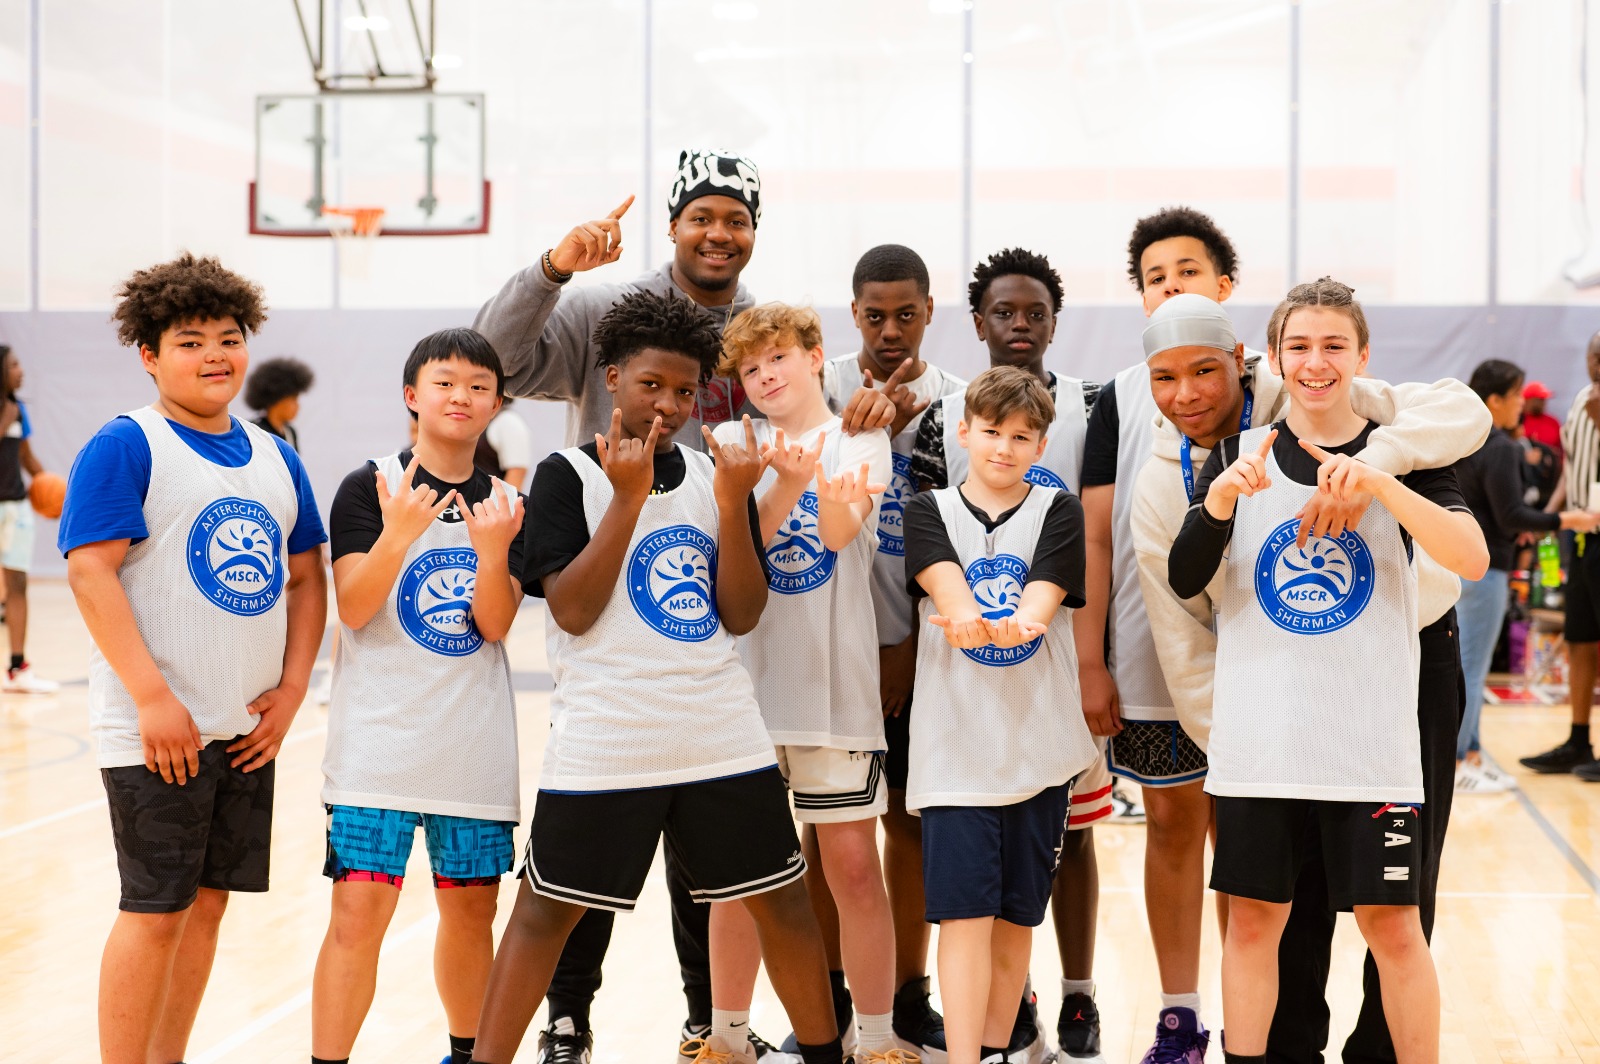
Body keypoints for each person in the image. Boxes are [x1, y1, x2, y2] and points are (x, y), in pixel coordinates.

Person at [475, 158, 889, 1063]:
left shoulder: (713, 471)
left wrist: (746, 498)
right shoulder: (569, 471)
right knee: (548, 911)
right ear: (609, 376)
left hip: (714, 716)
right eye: (648, 387)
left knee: (774, 898)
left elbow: (740, 609)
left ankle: (767, 1038)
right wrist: (624, 497)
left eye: (685, 392)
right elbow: (574, 614)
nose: (668, 404)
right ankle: (549, 1030)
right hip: (608, 725)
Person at [1128, 291, 1490, 1064]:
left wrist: (1382, 484)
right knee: (1256, 922)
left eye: (1333, 346)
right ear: (1276, 359)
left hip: (1370, 745)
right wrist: (1217, 505)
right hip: (1268, 742)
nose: (1315, 363)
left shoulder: (1402, 452)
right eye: (1299, 347)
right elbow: (1187, 577)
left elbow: (1471, 556)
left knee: (1394, 926)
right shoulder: (1238, 455)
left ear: (1362, 358)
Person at [57, 253, 327, 1064]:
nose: (214, 354)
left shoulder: (276, 455)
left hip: (243, 729)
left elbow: (307, 578)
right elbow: (87, 569)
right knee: (155, 909)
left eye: (228, 336)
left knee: (207, 906)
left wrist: (291, 688)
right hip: (157, 731)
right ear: (148, 353)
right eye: (189, 340)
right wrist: (150, 698)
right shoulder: (126, 444)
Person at [909, 247, 1109, 1061]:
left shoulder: (1056, 511)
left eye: (1022, 436)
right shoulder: (930, 510)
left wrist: (1017, 626)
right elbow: (945, 588)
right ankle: (963, 1056)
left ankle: (996, 1050)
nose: (1003, 447)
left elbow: (1042, 601)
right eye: (990, 431)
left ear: (1041, 442)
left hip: (1037, 749)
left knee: (1018, 918)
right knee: (961, 917)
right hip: (956, 754)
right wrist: (965, 620)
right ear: (964, 431)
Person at [310, 328, 528, 1064]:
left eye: (477, 385)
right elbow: (356, 607)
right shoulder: (366, 485)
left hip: (471, 750)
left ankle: (467, 1054)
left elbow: (494, 624)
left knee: (472, 915)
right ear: (412, 396)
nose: (460, 396)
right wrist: (398, 533)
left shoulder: (507, 505)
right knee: (357, 913)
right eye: (444, 382)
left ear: (496, 403)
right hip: (378, 748)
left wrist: (494, 554)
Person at [1077, 206, 1246, 1063]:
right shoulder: (1121, 392)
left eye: (1187, 270)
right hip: (1151, 654)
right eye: (1155, 277)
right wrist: (1091, 660)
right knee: (1175, 829)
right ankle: (1181, 1015)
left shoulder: (1274, 382)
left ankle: (1257, 1018)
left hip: (1260, 650)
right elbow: (1097, 537)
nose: (1171, 285)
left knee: (1246, 844)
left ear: (1226, 284)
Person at [710, 303, 896, 1060]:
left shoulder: (863, 439)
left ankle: (877, 1035)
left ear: (818, 356)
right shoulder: (728, 442)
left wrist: (798, 482)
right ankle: (724, 1034)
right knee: (736, 880)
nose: (766, 376)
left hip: (834, 689)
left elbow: (838, 534)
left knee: (853, 866)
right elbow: (737, 544)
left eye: (779, 358)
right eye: (752, 369)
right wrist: (782, 485)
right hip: (742, 697)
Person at [821, 244, 967, 1059]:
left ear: (928, 312)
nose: (889, 330)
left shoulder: (955, 402)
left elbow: (953, 525)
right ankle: (829, 994)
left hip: (920, 649)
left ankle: (910, 994)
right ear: (853, 315)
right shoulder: (825, 386)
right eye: (874, 315)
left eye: (905, 315)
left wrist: (909, 644)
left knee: (909, 826)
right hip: (827, 650)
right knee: (825, 835)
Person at [1453, 360, 1597, 794]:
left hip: (1460, 566)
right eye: (1516, 396)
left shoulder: (1460, 439)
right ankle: (1461, 761)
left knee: (1465, 666)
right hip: (1484, 570)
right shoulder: (1497, 447)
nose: (1522, 405)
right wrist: (1572, 518)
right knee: (1470, 669)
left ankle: (1470, 752)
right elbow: (1512, 515)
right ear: (1494, 400)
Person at [1523, 331, 1600, 780]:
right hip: (1582, 537)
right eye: (1593, 354)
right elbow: (1572, 469)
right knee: (1579, 639)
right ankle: (1577, 739)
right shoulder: (1578, 404)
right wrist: (1544, 518)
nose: (1596, 362)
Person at [0, 345, 60, 693]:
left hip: (16, 508)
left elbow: (27, 458)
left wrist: (58, 494)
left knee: (18, 585)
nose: (21, 370)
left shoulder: (19, 410)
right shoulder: (9, 412)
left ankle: (17, 667)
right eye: (14, 364)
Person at [244, 356, 315, 451]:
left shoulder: (290, 432)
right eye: (293, 399)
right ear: (276, 399)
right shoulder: (254, 431)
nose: (298, 406)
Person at [475, 397, 533, 490]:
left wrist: (505, 503)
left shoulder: (508, 421)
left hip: (490, 501)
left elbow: (516, 472)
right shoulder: (477, 421)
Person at [1521, 380, 1563, 460]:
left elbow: (1561, 451)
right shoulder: (1518, 421)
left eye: (1544, 399)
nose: (1543, 403)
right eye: (1539, 399)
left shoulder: (1553, 422)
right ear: (1527, 400)